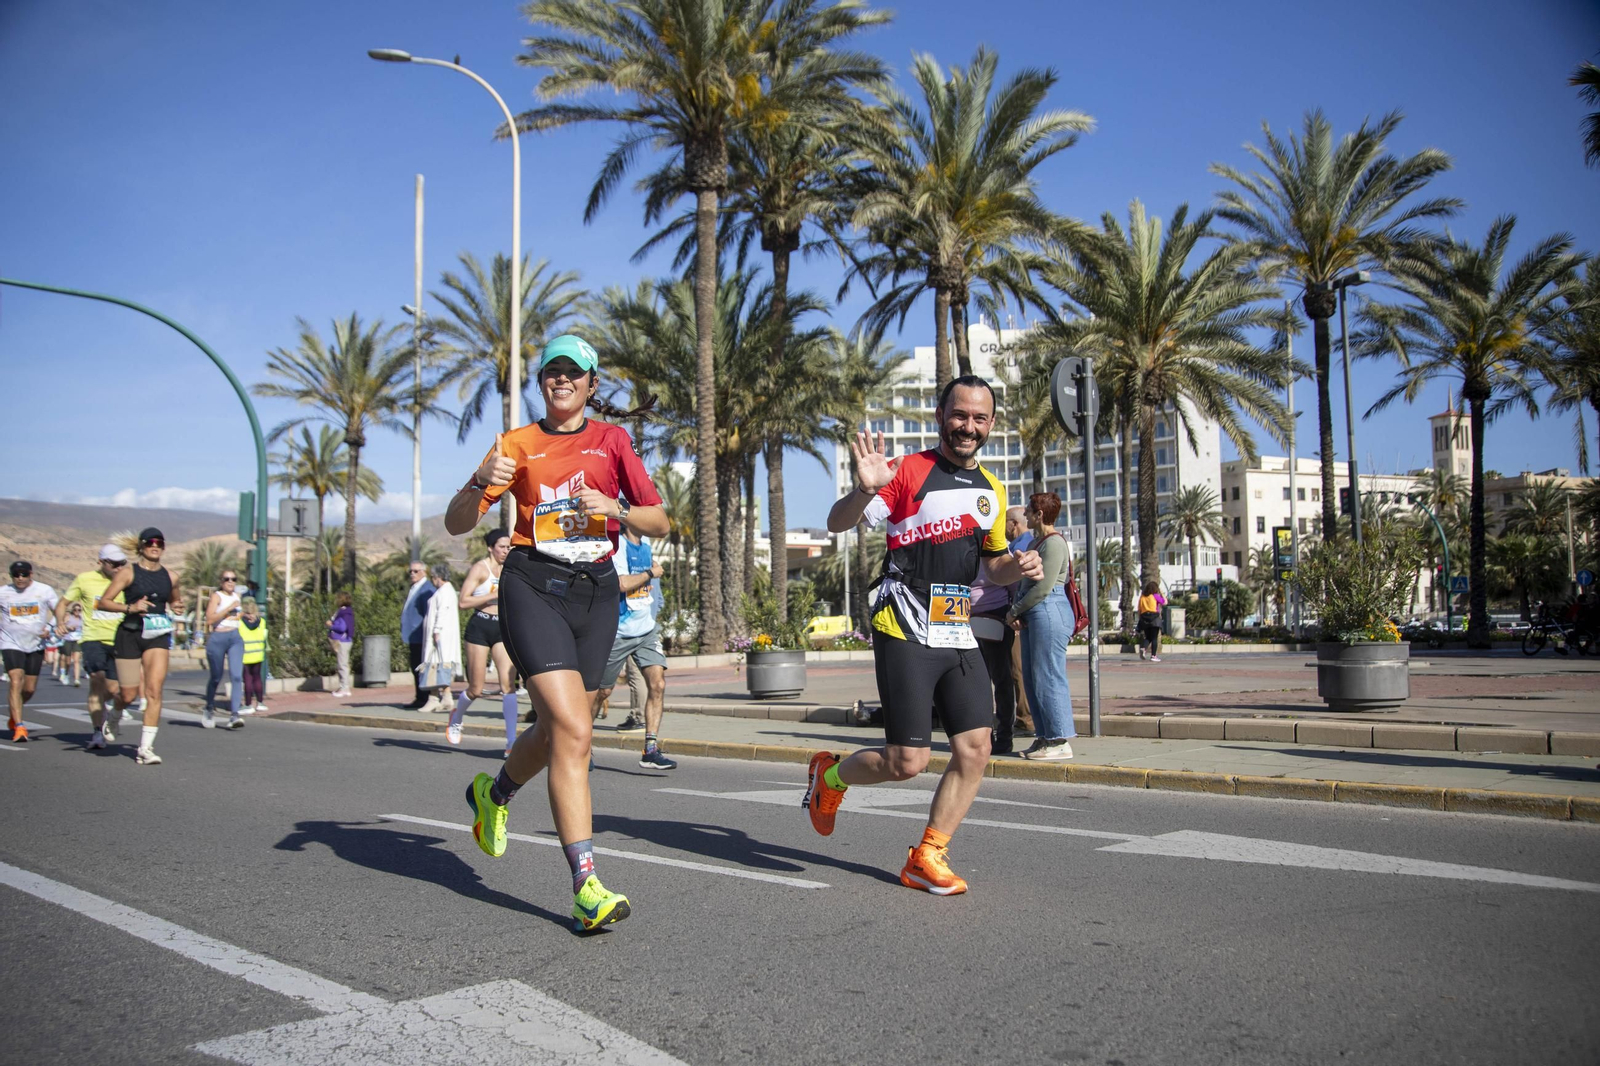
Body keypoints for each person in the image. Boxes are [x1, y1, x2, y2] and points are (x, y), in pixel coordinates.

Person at [444, 333, 667, 932]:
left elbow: (660, 520)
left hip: (596, 590)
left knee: (567, 726)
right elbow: (455, 522)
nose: (561, 379)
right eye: (551, 370)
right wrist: (478, 480)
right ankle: (585, 884)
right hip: (533, 584)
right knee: (573, 729)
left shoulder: (612, 441)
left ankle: (492, 795)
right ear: (541, 381)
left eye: (574, 371)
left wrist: (615, 508)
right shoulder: (515, 444)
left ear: (592, 384)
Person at [804, 376, 1044, 896]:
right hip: (904, 624)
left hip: (955, 628)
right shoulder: (908, 471)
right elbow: (837, 523)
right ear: (941, 415)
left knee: (976, 748)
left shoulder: (992, 489)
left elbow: (993, 566)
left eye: (980, 419)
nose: (969, 427)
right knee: (905, 763)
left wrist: (1019, 566)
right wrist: (864, 489)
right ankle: (830, 778)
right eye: (960, 415)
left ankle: (928, 855)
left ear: (992, 425)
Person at [99, 527, 185, 765]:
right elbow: (104, 603)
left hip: (157, 635)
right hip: (130, 634)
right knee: (127, 693)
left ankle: (145, 748)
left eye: (159, 542)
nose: (155, 546)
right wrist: (130, 608)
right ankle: (115, 715)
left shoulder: (171, 576)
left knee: (154, 691)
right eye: (150, 543)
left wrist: (177, 606)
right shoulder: (128, 573)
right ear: (142, 547)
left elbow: (175, 599)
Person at [593, 524, 676, 770]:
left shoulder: (646, 546)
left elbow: (652, 587)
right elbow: (621, 583)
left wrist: (655, 610)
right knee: (602, 693)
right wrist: (651, 573)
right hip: (617, 633)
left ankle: (650, 750)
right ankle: (580, 746)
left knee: (658, 684)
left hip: (646, 631)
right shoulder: (616, 546)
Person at [1007, 492, 1076, 761]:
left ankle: (1059, 739)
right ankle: (1044, 737)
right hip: (1034, 613)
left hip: (1049, 611)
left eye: (1029, 511)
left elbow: (1044, 588)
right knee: (1033, 677)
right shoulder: (1038, 541)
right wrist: (1018, 609)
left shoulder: (1055, 543)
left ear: (1040, 515)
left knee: (1048, 674)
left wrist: (1014, 610)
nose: (1025, 515)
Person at [448, 529, 521, 753]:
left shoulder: (511, 568)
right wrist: (491, 596)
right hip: (480, 626)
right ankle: (457, 717)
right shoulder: (481, 568)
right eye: (502, 547)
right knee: (476, 689)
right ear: (490, 548)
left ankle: (511, 743)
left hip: (502, 626)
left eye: (509, 547)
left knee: (508, 685)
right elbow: (463, 601)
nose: (506, 551)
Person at [56, 544, 127, 748]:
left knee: (113, 689)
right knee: (97, 679)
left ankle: (100, 707)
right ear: (101, 562)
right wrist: (61, 623)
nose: (118, 567)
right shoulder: (84, 579)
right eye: (113, 564)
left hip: (119, 640)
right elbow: (62, 604)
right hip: (92, 638)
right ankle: (97, 732)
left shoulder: (127, 580)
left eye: (122, 563)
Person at [2, 561, 60, 743]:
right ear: (11, 576)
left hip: (36, 644)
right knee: (16, 680)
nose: (20, 578)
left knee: (29, 689)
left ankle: (14, 713)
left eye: (24, 574)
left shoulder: (44, 590)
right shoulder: (3, 593)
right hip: (10, 642)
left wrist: (50, 628)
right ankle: (19, 726)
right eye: (16, 575)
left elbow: (59, 610)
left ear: (31, 574)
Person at [969, 568, 1018, 756]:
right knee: (977, 684)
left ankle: (1005, 737)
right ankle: (984, 737)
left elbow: (1013, 584)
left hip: (996, 619)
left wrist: (1014, 615)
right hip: (966, 620)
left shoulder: (998, 552)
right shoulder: (963, 551)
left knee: (1001, 679)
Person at [1003, 505, 1036, 737]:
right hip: (1016, 616)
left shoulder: (1021, 548)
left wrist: (1015, 612)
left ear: (1014, 524)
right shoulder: (1019, 546)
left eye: (1004, 522)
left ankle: (1026, 718)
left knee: (1018, 669)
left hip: (1018, 618)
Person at [202, 568, 246, 729]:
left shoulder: (237, 597)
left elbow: (237, 616)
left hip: (235, 637)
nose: (230, 582)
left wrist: (246, 616)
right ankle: (208, 707)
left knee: (236, 676)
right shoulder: (217, 596)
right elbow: (209, 619)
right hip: (218, 638)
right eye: (226, 579)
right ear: (221, 582)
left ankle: (234, 715)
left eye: (233, 579)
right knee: (216, 676)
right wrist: (228, 609)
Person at [419, 563, 461, 713]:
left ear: (438, 577)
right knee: (439, 666)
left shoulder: (445, 592)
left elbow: (442, 612)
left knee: (437, 666)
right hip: (441, 635)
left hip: (440, 636)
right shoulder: (445, 591)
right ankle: (445, 698)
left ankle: (435, 698)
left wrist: (437, 630)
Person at [400, 562, 435, 709]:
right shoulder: (415, 588)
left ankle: (423, 698)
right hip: (414, 635)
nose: (412, 574)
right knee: (415, 666)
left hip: (421, 635)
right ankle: (419, 696)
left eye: (416, 571)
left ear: (424, 572)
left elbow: (429, 613)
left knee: (420, 667)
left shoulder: (427, 589)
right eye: (410, 571)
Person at [238, 596, 269, 713]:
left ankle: (248, 704)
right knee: (257, 678)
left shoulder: (240, 623)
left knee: (247, 679)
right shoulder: (262, 622)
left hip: (245, 655)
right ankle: (260, 703)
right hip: (258, 654)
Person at [326, 591, 354, 697]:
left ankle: (344, 688)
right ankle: (344, 686)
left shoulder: (343, 613)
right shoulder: (347, 612)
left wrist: (331, 626)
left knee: (342, 664)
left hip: (342, 641)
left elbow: (342, 627)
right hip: (346, 641)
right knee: (344, 664)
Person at [1138, 580, 1167, 662]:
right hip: (1154, 618)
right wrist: (1162, 593)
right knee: (1154, 637)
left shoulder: (1142, 597)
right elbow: (1165, 602)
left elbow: (1139, 609)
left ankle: (1143, 648)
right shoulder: (1155, 596)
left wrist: (1141, 619)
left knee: (1148, 637)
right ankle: (1153, 656)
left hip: (1144, 618)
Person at [58, 604, 84, 686]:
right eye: (75, 610)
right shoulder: (68, 617)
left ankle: (77, 680)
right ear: (73, 610)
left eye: (79, 610)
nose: (77, 611)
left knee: (76, 660)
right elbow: (62, 626)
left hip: (77, 640)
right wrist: (69, 627)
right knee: (68, 661)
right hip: (68, 639)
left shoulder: (82, 618)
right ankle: (66, 674)